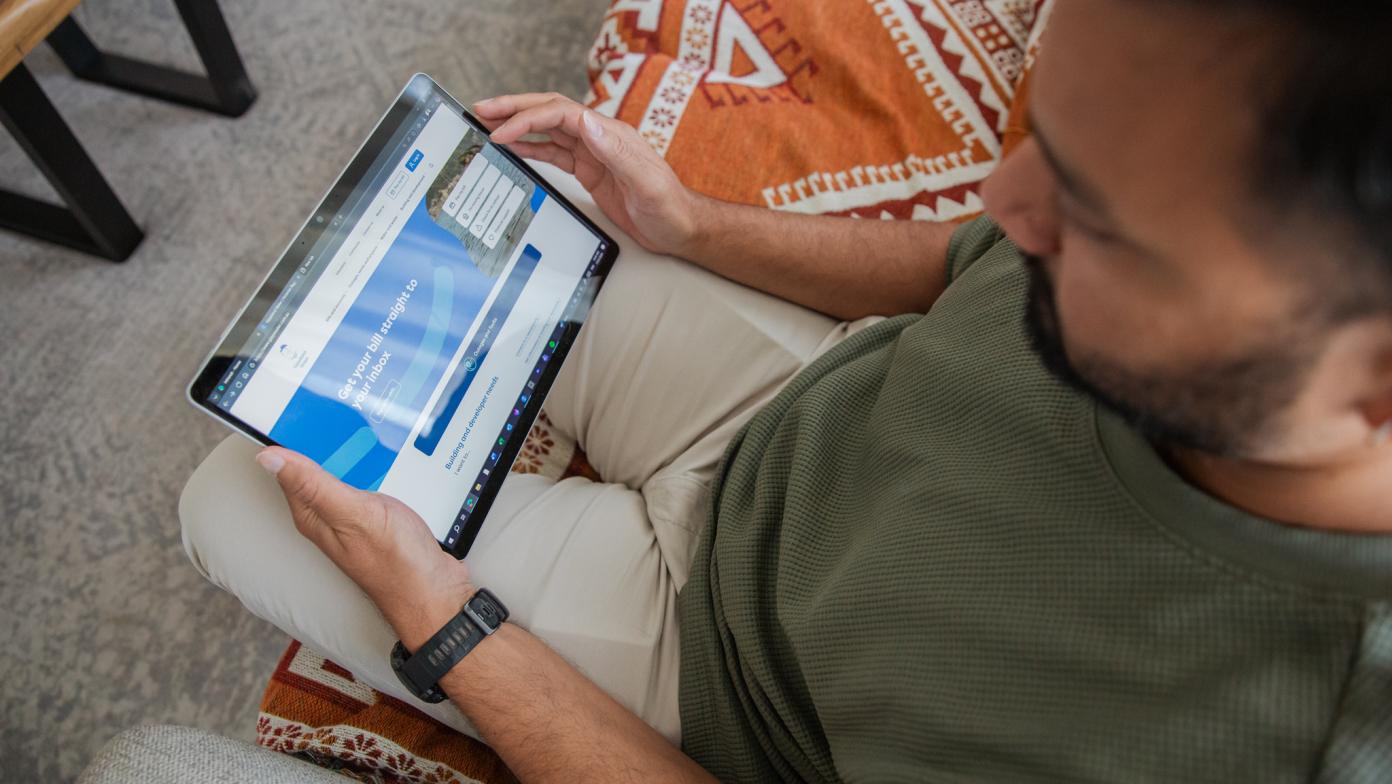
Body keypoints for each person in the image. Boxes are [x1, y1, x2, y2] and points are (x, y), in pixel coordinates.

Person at [180, 0, 1392, 780]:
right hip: (811, 398)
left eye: (1100, 224)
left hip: (731, 670)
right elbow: (963, 257)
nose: (1010, 210)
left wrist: (448, 623)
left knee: (232, 498)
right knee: (501, 214)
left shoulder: (1284, 734)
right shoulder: (1156, 233)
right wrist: (689, 219)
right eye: (1046, 143)